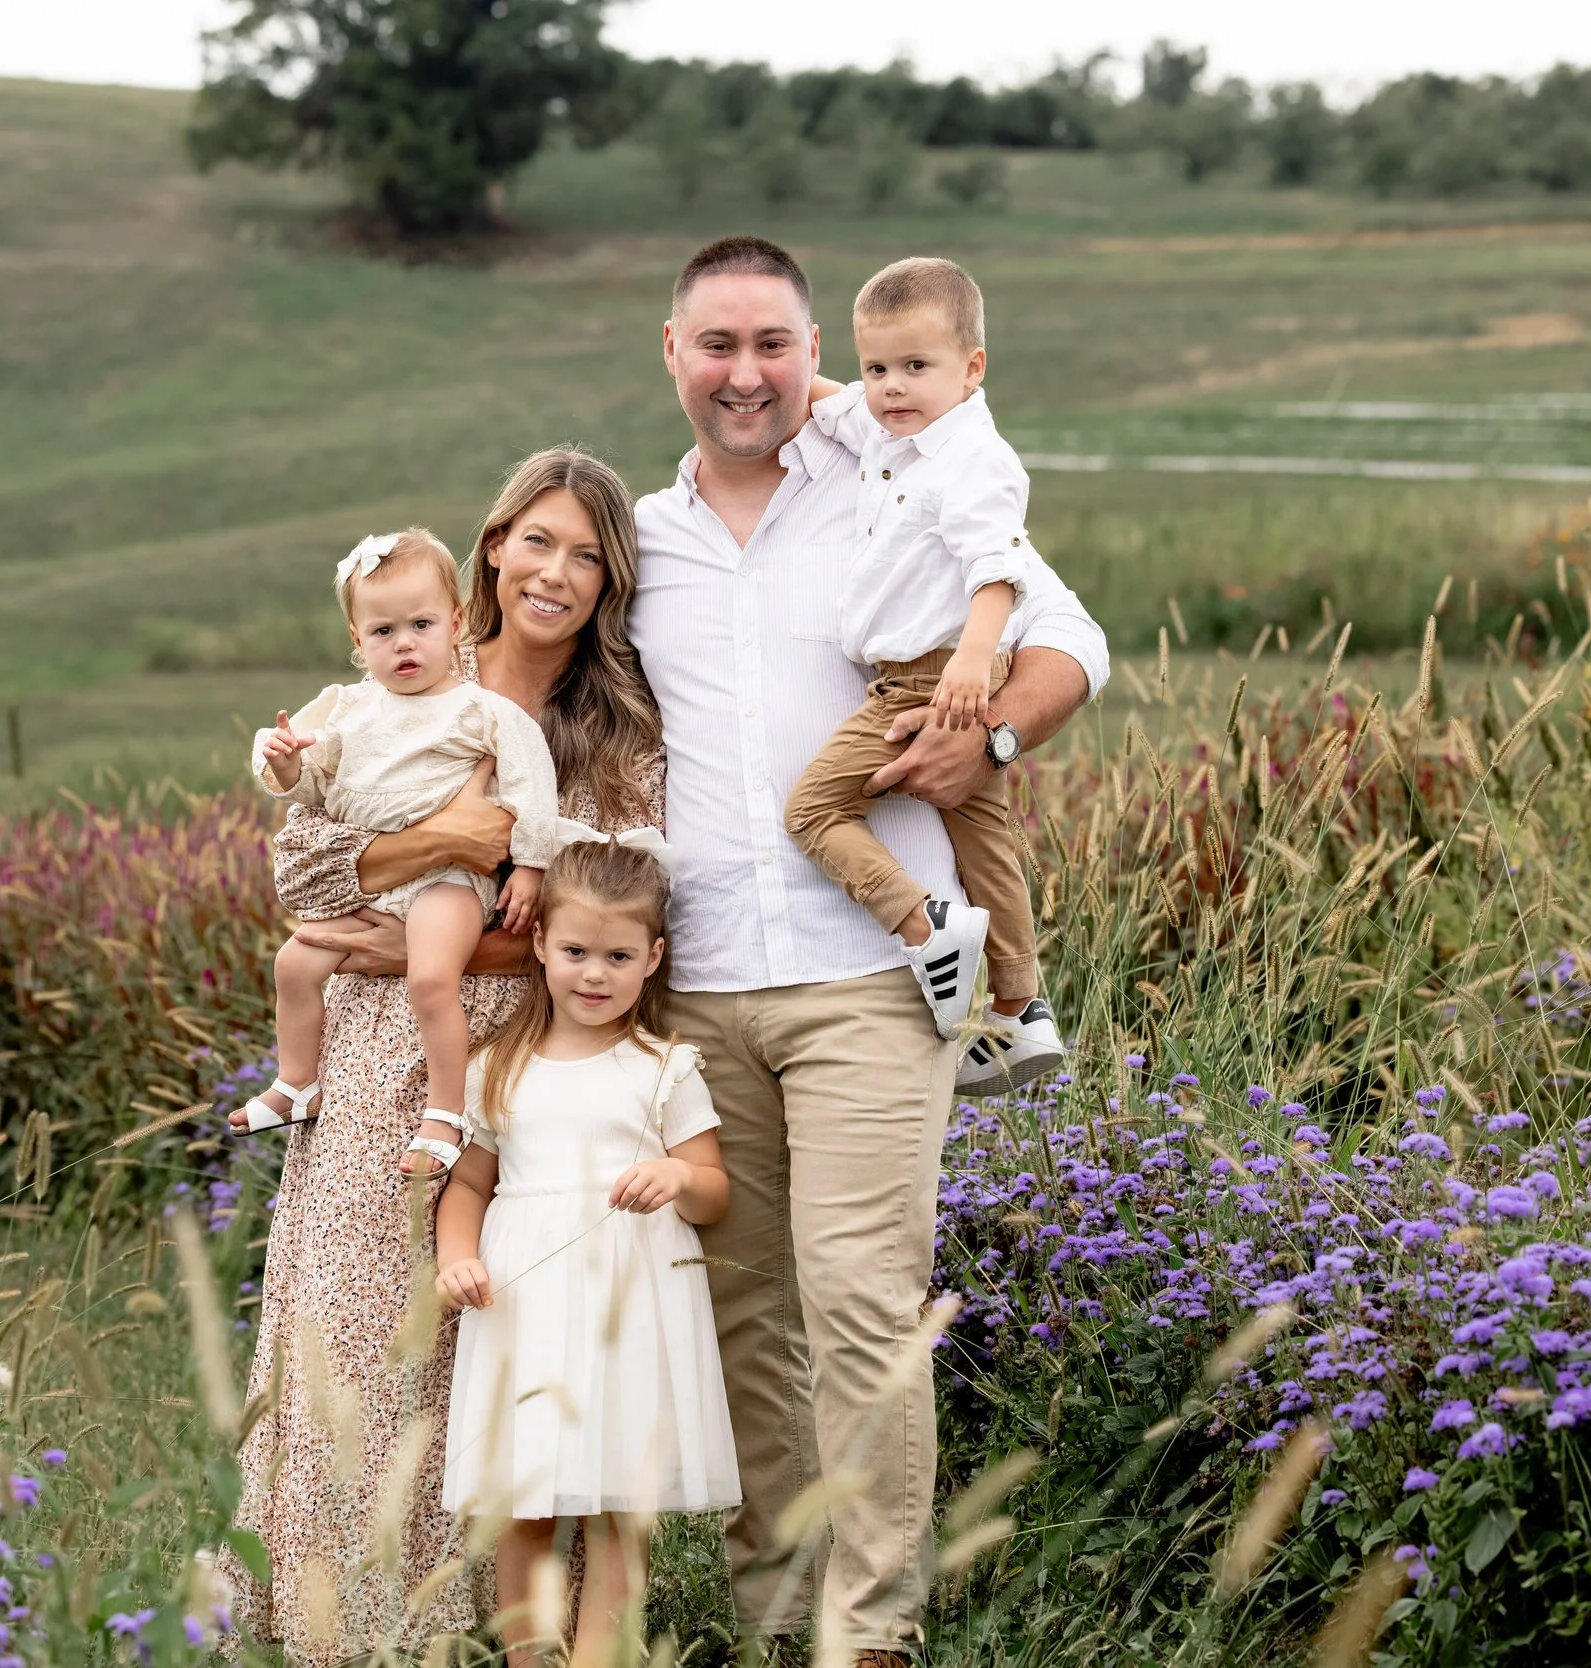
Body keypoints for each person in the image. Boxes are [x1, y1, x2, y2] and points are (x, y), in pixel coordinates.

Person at [629, 235, 1108, 1663]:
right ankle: (771, 1618)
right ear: (673, 353)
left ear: (809, 354)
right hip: (699, 987)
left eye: (772, 344)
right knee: (744, 1317)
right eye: (717, 346)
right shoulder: (637, 542)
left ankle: (873, 1629)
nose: (745, 374)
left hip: (872, 979)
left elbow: (1069, 635)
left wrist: (995, 739)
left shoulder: (893, 482)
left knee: (859, 1299)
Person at [227, 448, 666, 1661]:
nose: (555, 572)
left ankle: (503, 1632)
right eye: (536, 540)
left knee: (514, 1329)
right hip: (384, 1055)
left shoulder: (620, 732)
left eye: (586, 555)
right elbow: (298, 875)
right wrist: (441, 838)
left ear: (609, 581)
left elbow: (626, 935)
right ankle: (350, 1625)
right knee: (364, 1322)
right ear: (492, 546)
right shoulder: (400, 666)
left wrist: (448, 947)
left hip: (538, 1057)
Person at [435, 835, 739, 1668]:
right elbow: (467, 1186)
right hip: (524, 1306)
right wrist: (456, 1257)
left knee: (619, 1512)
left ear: (654, 958)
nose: (593, 974)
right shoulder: (498, 1068)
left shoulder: (666, 1067)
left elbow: (715, 1190)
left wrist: (676, 1173)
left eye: (617, 955)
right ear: (539, 946)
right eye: (574, 951)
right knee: (524, 1505)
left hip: (629, 1307)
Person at [782, 255, 1070, 1093]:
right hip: (940, 674)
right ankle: (1021, 1007)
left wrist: (975, 664)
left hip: (932, 680)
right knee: (984, 840)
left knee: (813, 808)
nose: (891, 387)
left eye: (915, 367)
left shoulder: (972, 459)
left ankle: (922, 925)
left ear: (972, 367)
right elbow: (827, 398)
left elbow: (998, 566)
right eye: (878, 368)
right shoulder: (888, 429)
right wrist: (781, 367)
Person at [236, 527, 561, 1151]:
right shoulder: (351, 709)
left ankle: (445, 1112)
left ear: (457, 622)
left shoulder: (482, 712)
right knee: (294, 964)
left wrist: (532, 867)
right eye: (383, 632)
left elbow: (532, 787)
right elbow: (311, 785)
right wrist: (285, 767)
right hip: (380, 884)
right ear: (358, 641)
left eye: (421, 625)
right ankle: (298, 1082)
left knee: (431, 978)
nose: (404, 644)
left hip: (447, 882)